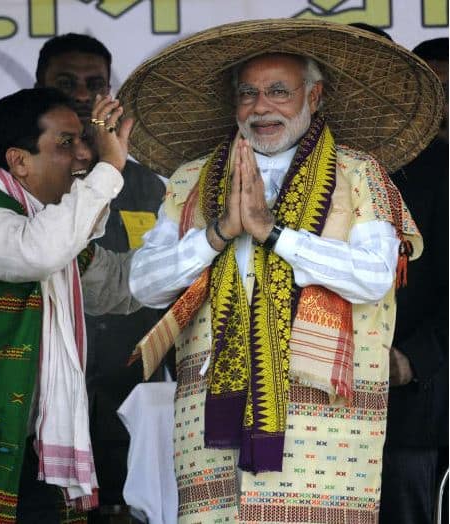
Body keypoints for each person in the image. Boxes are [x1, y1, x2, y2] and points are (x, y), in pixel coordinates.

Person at [122, 20, 442, 523]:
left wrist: (276, 234)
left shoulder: (360, 172)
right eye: (247, 94)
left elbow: (374, 276)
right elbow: (143, 283)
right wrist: (218, 234)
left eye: (278, 91)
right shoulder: (191, 178)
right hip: (211, 425)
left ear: (314, 97)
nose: (260, 107)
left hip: (325, 424)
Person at [0, 87, 140, 523]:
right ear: (18, 161)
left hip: (38, 449)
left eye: (86, 141)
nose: (84, 155)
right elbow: (39, 252)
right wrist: (109, 168)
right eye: (66, 143)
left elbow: (120, 285)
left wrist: (213, 239)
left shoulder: (47, 226)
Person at [35, 33, 168, 521]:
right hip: (42, 396)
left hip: (132, 389)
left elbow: (159, 280)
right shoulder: (20, 179)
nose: (81, 94)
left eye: (94, 84)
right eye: (66, 82)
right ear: (40, 86)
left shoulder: (145, 183)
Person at [380, 38, 449, 524]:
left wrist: (413, 360)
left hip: (411, 412)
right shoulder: (295, 174)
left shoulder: (439, 168)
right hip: (311, 417)